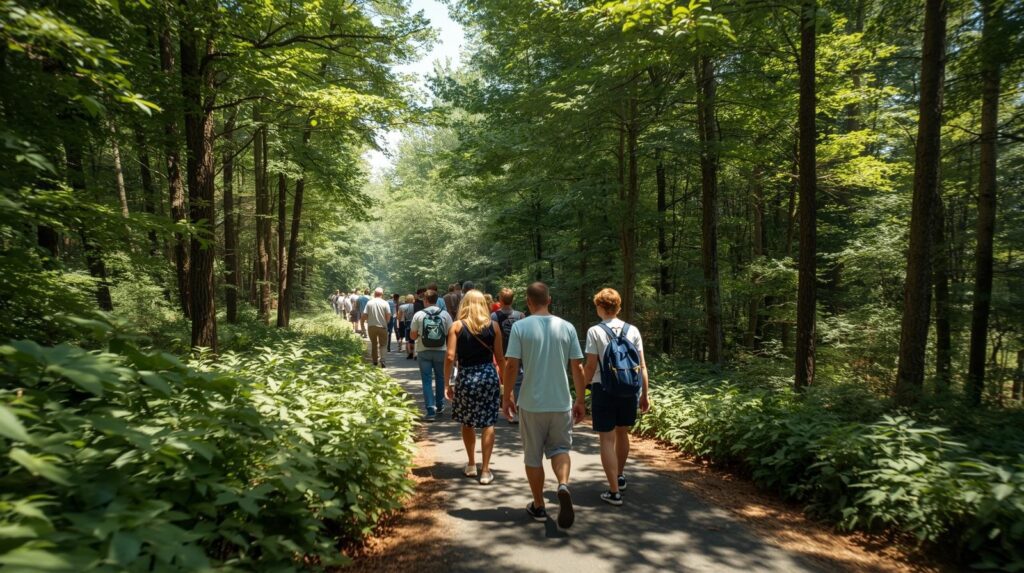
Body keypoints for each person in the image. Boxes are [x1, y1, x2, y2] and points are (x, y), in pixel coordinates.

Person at [501, 282, 586, 529]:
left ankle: (539, 505)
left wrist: (507, 396)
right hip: (561, 402)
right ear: (549, 300)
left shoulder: (520, 327)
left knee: (533, 456)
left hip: (531, 403)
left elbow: (511, 365)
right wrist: (580, 400)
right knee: (560, 449)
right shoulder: (567, 327)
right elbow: (578, 366)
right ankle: (563, 485)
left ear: (528, 302)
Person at [582, 288, 651, 506]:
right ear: (618, 307)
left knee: (606, 439)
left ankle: (614, 492)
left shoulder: (595, 331)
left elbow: (590, 366)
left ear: (600, 307)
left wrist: (580, 391)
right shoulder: (633, 330)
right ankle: (619, 476)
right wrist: (645, 394)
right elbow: (642, 366)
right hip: (629, 389)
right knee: (623, 433)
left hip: (603, 389)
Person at [445, 290, 505, 485]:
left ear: (465, 304)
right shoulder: (494, 326)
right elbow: (500, 358)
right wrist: (505, 382)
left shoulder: (456, 326)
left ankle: (471, 464)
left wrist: (446, 383)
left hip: (466, 377)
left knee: (467, 421)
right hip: (488, 376)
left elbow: (450, 357)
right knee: (489, 423)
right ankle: (485, 470)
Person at [410, 289, 453, 421]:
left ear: (425, 300)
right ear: (437, 300)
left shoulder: (418, 315)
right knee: (441, 378)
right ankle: (440, 405)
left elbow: (413, 336)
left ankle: (430, 410)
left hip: (423, 351)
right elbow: (450, 334)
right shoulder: (445, 314)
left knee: (427, 380)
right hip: (441, 351)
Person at [492, 287, 525, 424]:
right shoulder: (520, 316)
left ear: (500, 300)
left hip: (500, 353)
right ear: (513, 299)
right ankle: (515, 410)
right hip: (517, 354)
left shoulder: (494, 316)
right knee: (516, 382)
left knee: (499, 381)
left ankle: (499, 408)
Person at [363, 288, 392, 368]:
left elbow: (365, 315)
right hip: (382, 326)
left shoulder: (369, 303)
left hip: (371, 326)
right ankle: (383, 360)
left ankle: (375, 361)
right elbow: (388, 314)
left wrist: (366, 321)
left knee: (374, 343)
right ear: (382, 294)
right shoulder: (385, 303)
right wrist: (386, 322)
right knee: (383, 344)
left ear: (374, 294)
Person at [398, 294, 416, 359]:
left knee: (407, 339)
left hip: (406, 323)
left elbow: (399, 317)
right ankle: (414, 353)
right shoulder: (416, 306)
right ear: (413, 299)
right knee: (414, 338)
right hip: (414, 322)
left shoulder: (402, 307)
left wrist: (399, 323)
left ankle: (409, 352)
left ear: (406, 299)